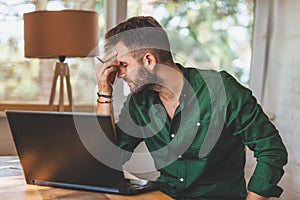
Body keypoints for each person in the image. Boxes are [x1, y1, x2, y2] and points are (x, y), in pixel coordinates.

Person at [95, 16, 288, 200]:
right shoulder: (139, 102)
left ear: (149, 61)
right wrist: (104, 93)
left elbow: (271, 150)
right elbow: (110, 157)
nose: (119, 74)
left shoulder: (222, 90)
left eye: (123, 65)